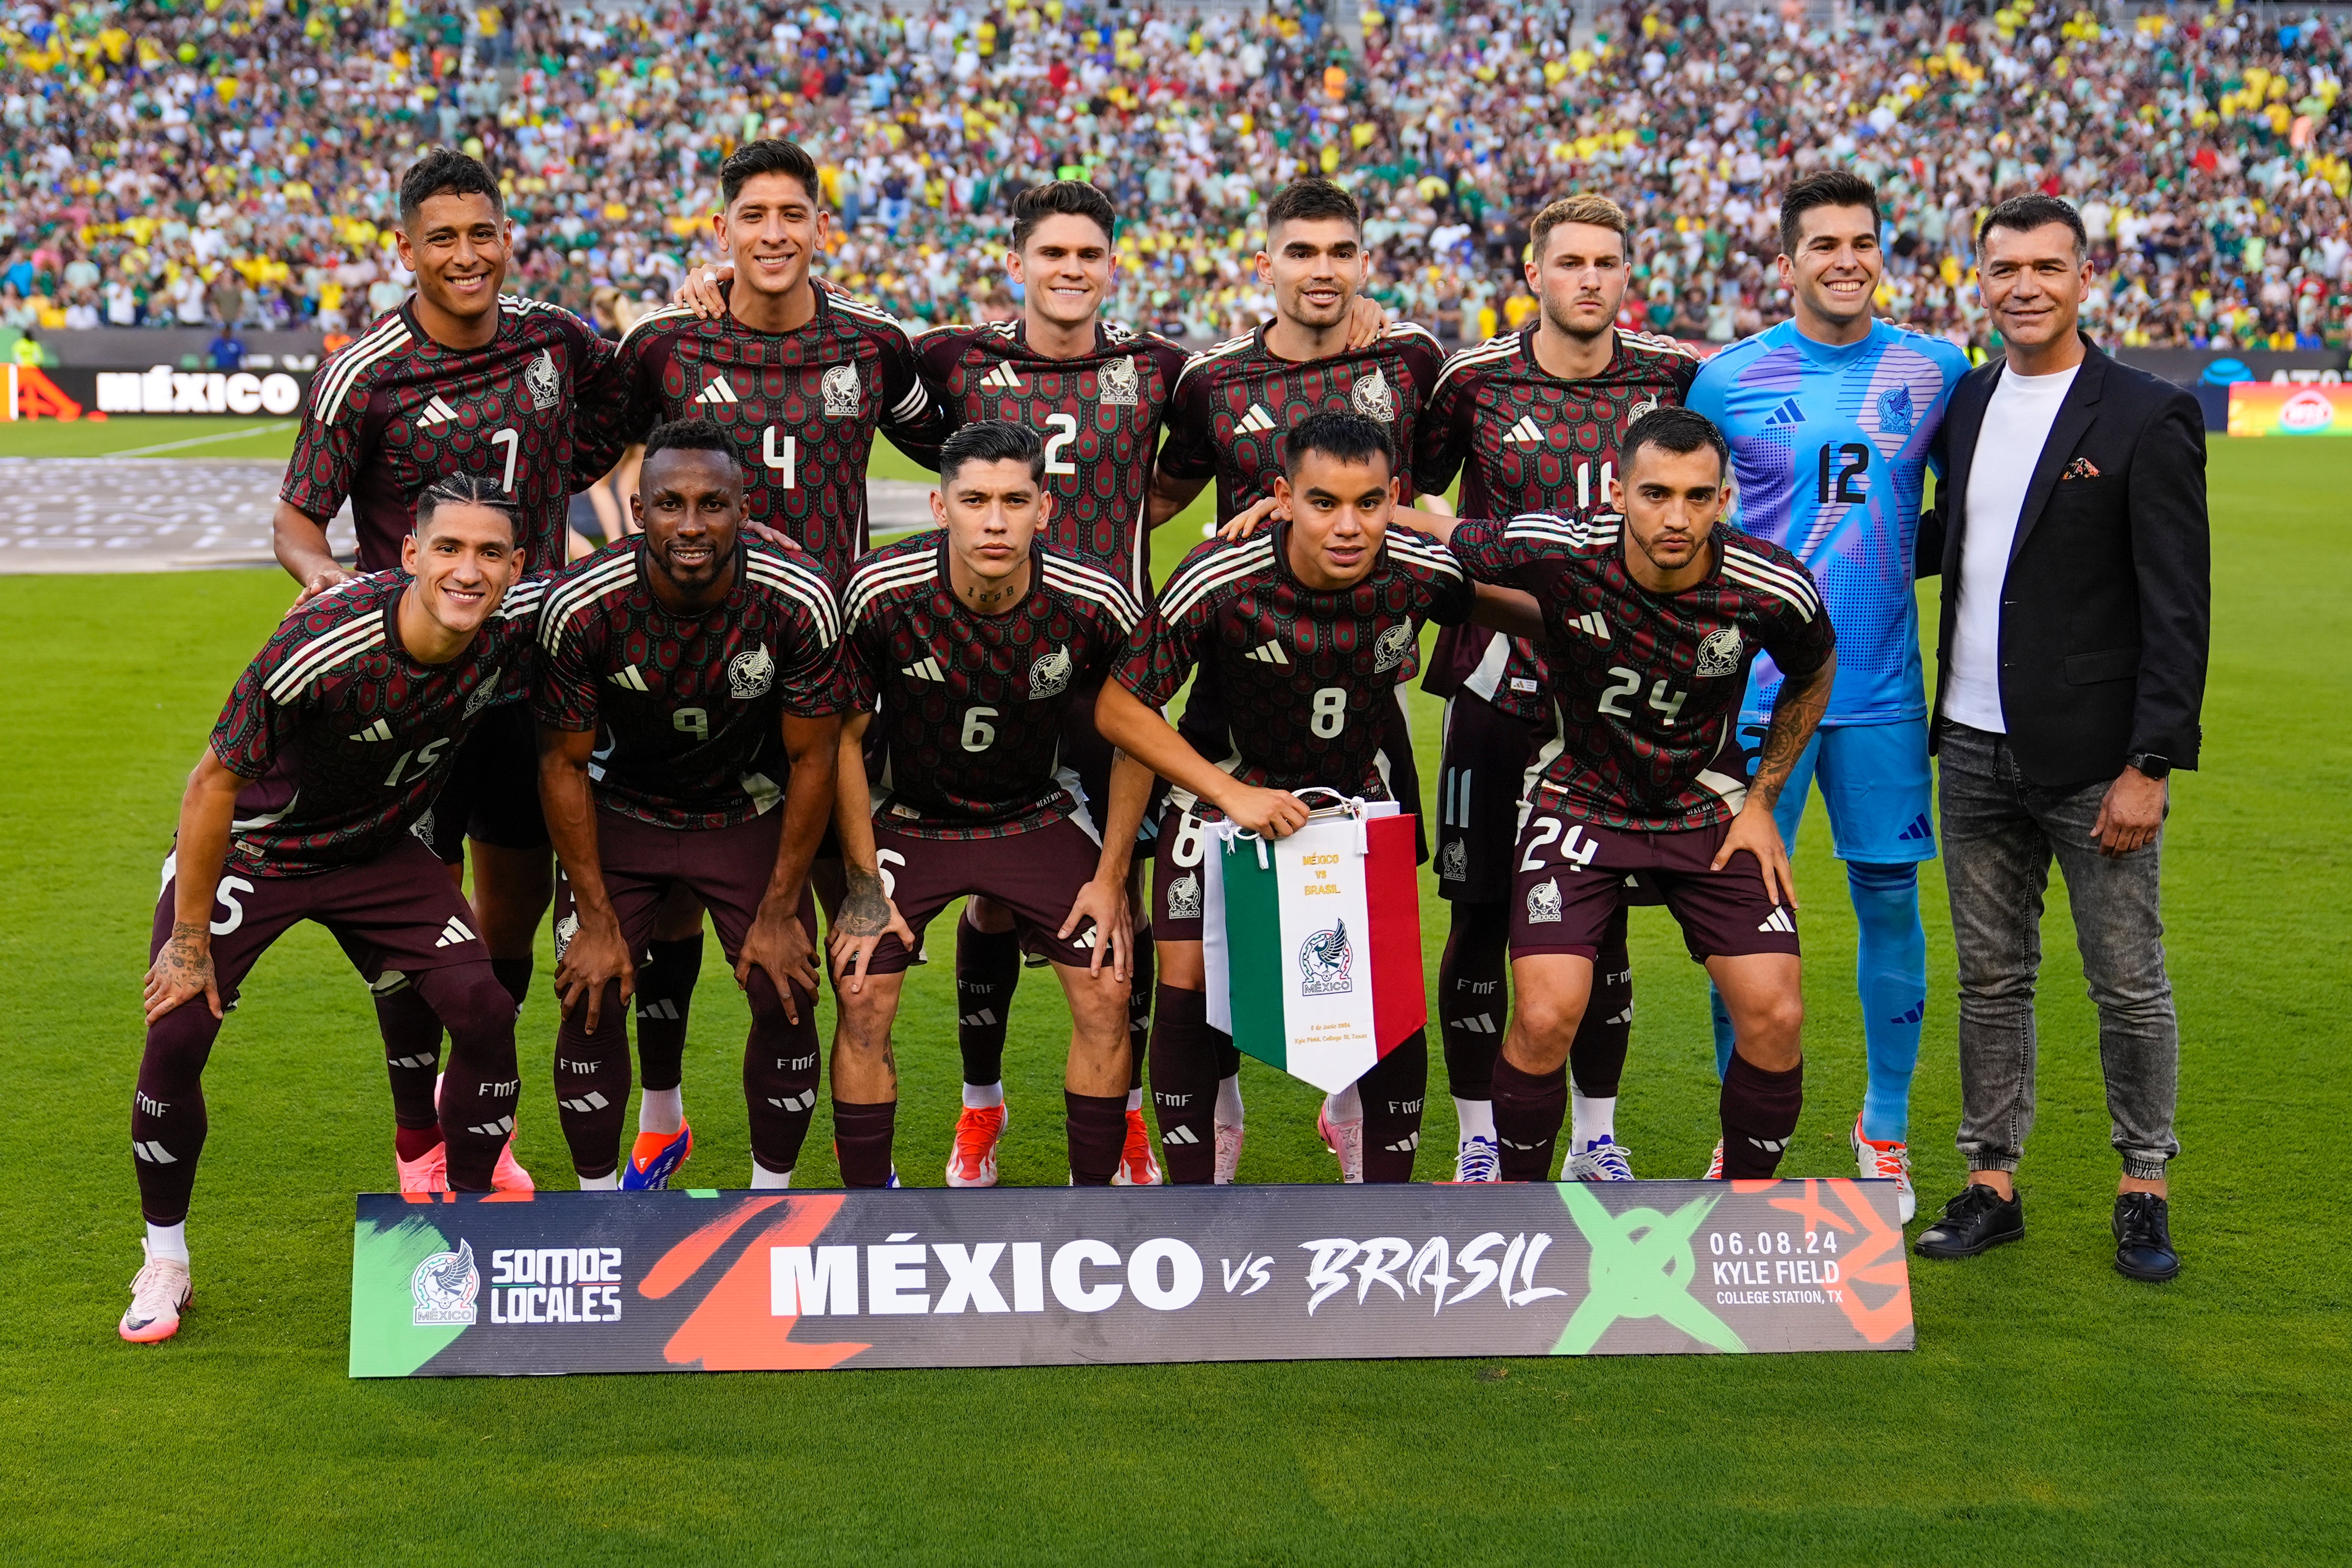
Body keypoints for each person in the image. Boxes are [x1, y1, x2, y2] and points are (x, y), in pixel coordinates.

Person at [587, 138, 946, 1179]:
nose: (775, 234)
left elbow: (970, 440)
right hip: (684, 661)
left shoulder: (875, 346)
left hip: (829, 677)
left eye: (794, 215)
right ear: (724, 231)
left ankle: (828, 1174)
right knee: (668, 910)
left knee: (842, 930)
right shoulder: (667, 342)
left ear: (822, 228)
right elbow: (586, 445)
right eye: (755, 217)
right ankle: (662, 1118)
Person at [121, 478, 542, 1344]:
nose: (470, 571)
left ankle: (465, 1227)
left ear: (517, 567)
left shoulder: (512, 636)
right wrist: (189, 941)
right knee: (176, 1030)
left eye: (491, 554)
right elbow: (212, 784)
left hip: (380, 853)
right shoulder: (324, 636)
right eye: (451, 550)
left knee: (485, 1006)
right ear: (410, 554)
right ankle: (165, 1257)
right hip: (260, 848)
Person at [271, 148, 620, 1183]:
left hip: (528, 681)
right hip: (411, 695)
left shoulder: (559, 339)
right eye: (444, 239)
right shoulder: (365, 373)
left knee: (508, 910)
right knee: (409, 921)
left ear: (505, 237)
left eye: (483, 234)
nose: (467, 256)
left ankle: (484, 1118)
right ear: (407, 249)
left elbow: (625, 409)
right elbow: (297, 518)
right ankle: (415, 1132)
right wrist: (335, 589)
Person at [1412, 407, 1838, 1183]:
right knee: (1543, 1016)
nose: (1676, 517)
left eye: (1697, 497)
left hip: (1706, 805)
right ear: (1616, 493)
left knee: (1777, 1014)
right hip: (1576, 798)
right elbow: (1438, 534)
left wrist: (1763, 799)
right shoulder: (1554, 548)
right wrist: (1330, 498)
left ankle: (1744, 1204)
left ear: (1725, 499)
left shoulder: (1769, 584)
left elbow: (1813, 668)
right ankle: (1517, 1209)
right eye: (1654, 494)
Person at [1912, 195, 2209, 1282]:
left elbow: (2179, 601)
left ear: (2087, 278)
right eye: (2004, 268)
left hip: (2096, 757)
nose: (2024, 285)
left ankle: (2144, 1186)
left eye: (2046, 266)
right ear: (1977, 282)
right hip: (1974, 742)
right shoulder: (1968, 400)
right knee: (1992, 981)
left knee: (2127, 982)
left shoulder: (2146, 412)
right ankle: (1994, 1182)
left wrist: (2152, 762)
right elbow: (1960, 538)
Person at [1096, 410, 1501, 1184]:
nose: (1348, 526)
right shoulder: (1221, 574)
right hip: (1223, 792)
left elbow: (1504, 601)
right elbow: (1121, 707)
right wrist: (1229, 794)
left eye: (1369, 503)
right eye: (1323, 503)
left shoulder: (1419, 569)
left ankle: (1378, 1189)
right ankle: (1204, 1163)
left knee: (1379, 984)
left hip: (1351, 797)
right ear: (1282, 497)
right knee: (1189, 976)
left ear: (1394, 500)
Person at [1146, 177, 1444, 1179]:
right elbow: (1160, 495)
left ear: (1365, 262)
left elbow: (1437, 493)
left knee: (1365, 950)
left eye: (1341, 252)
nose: (1322, 271)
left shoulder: (1408, 361)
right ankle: (1217, 1117)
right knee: (1204, 961)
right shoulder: (1210, 381)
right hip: (1239, 670)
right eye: (1302, 252)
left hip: (1359, 682)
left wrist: (1410, 535)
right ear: (1264, 264)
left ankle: (1357, 1116)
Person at [1685, 170, 1970, 1216]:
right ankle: (1741, 1132)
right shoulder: (1727, 380)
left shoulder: (1936, 370)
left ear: (1880, 251)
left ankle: (1882, 1130)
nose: (1845, 259)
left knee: (1890, 899)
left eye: (1862, 241)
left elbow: (1968, 512)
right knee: (1741, 907)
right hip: (1756, 691)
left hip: (1883, 688)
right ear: (1788, 262)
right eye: (1823, 244)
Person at [902, 182, 1190, 1188]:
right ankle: (983, 1110)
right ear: (1015, 261)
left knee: (1127, 908)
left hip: (1110, 667)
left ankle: (1128, 1115)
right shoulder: (951, 360)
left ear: (1112, 265)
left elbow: (1193, 464)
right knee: (989, 891)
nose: (1072, 269)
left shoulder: (1159, 369)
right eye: (1053, 252)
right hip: (990, 665)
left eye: (1090, 254)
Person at [1414, 191, 1699, 1184]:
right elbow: (1409, 497)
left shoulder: (1672, 377)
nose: (1589, 279)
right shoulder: (1472, 382)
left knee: (1602, 914)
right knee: (1481, 916)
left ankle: (1596, 1136)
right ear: (1532, 276)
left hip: (1617, 707)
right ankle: (1478, 1133)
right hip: (1500, 689)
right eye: (1569, 262)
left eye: (1606, 264)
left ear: (1628, 276)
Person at [827, 421, 1157, 1186]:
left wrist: (1109, 882)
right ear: (940, 509)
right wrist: (862, 886)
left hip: (1033, 810)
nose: (996, 520)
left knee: (1109, 984)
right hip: (911, 814)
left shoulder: (1093, 597)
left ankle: (1091, 1211)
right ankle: (870, 1209)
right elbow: (840, 741)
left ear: (1045, 509)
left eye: (1015, 500)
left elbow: (1138, 733)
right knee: (861, 988)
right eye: (975, 500)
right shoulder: (879, 592)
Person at [534, 418, 847, 1190]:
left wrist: (779, 912)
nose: (692, 525)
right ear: (637, 512)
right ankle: (598, 1210)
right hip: (623, 806)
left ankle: (766, 1207)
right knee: (592, 987)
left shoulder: (799, 595)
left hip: (744, 807)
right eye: (669, 504)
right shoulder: (580, 604)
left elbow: (814, 756)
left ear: (746, 509)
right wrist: (599, 921)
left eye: (713, 505)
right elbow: (563, 767)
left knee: (787, 988)